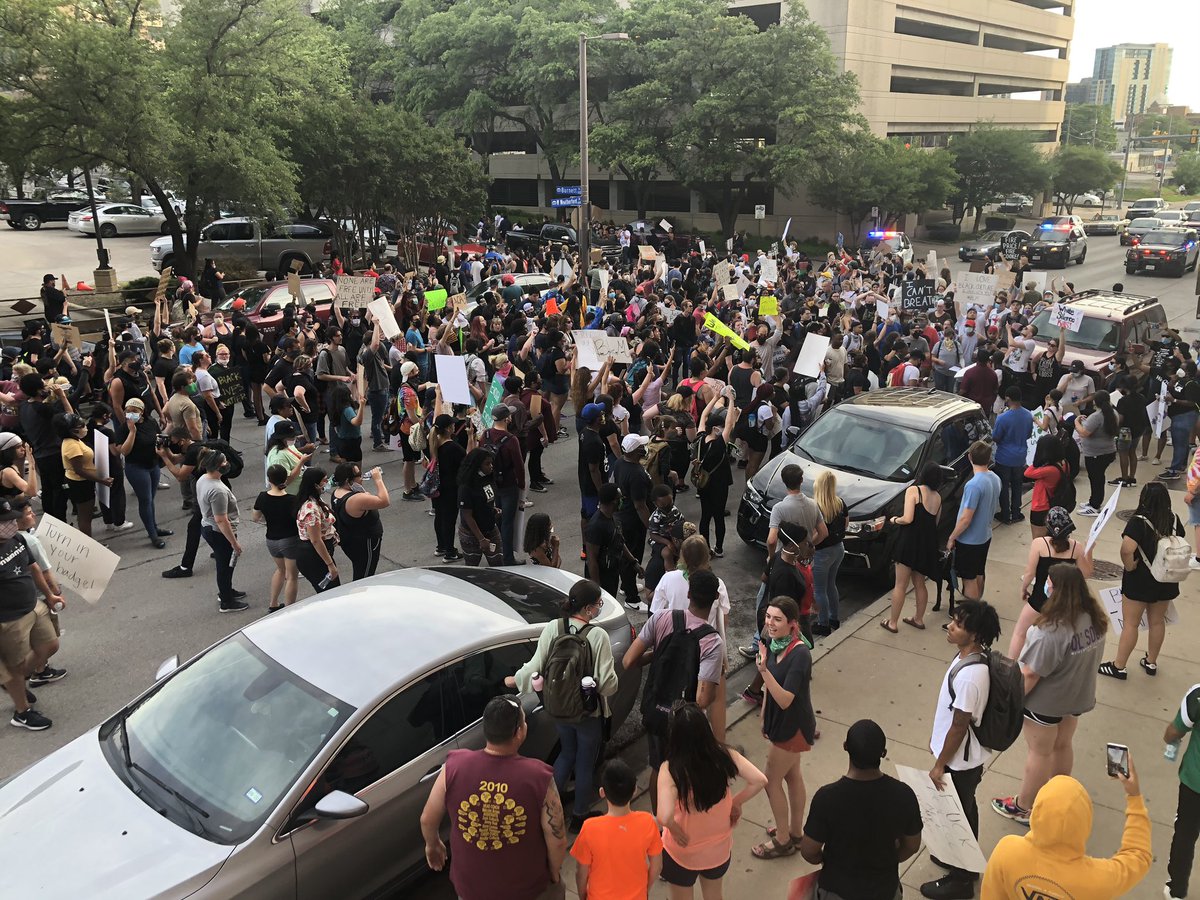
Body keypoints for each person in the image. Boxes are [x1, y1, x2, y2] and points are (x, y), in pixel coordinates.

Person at [419, 696, 568, 900]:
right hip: (526, 889)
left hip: (471, 888)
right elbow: (557, 839)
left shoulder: (455, 765)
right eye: (523, 721)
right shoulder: (538, 776)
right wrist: (554, 872)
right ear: (518, 733)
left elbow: (427, 819)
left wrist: (433, 844)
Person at [992, 564, 1106, 827]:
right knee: (1063, 745)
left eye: (1048, 583)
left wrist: (1012, 701)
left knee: (1039, 753)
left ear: (1055, 589)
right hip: (1076, 697)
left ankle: (1023, 807)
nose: (1045, 586)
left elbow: (1031, 674)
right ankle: (1058, 797)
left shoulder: (1050, 630)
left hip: (1045, 703)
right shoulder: (1092, 617)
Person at [510, 580, 619, 831]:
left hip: (558, 708)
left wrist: (515, 680)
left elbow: (535, 666)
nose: (599, 608)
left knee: (566, 753)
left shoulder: (553, 627)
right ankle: (579, 816)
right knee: (584, 762)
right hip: (588, 712)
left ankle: (550, 811)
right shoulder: (597, 635)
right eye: (598, 605)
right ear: (589, 609)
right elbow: (609, 685)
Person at [623, 572, 726, 814]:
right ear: (714, 601)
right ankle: (679, 816)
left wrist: (656, 655)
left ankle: (661, 823)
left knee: (659, 768)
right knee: (684, 771)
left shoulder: (662, 618)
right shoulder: (712, 642)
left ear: (689, 594)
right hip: (684, 722)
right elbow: (702, 699)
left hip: (655, 710)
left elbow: (629, 661)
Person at [921, 600, 1002, 900]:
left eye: (958, 624)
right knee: (966, 810)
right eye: (952, 620)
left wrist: (940, 764)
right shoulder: (969, 657)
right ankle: (964, 864)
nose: (950, 626)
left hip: (959, 761)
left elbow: (959, 725)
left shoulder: (971, 675)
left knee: (957, 816)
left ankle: (961, 880)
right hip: (961, 758)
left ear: (976, 634)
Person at [799, 719, 923, 900]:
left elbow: (809, 851)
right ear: (884, 753)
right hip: (885, 890)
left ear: (845, 747)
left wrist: (826, 860)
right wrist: (888, 862)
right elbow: (912, 845)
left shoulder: (827, 798)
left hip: (836, 890)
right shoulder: (904, 795)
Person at [981, 768, 1150, 900]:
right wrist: (1134, 797)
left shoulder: (1007, 851)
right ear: (1086, 822)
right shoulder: (1099, 880)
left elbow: (991, 895)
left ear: (1035, 813)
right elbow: (1139, 856)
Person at [656, 703, 768, 899]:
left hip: (681, 852)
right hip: (718, 848)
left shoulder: (670, 770)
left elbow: (664, 817)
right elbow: (760, 780)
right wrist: (736, 802)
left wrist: (674, 829)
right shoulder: (723, 755)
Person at [1098, 481, 1187, 680]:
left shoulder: (1138, 522)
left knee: (1131, 624)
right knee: (1157, 622)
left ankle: (1119, 666)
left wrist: (1129, 566)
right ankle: (1151, 662)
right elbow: (1180, 537)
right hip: (1167, 578)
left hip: (1140, 580)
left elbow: (1126, 549)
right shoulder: (1173, 519)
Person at [751, 596, 816, 861]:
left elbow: (786, 699)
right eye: (768, 617)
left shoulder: (800, 653)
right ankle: (795, 832)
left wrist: (763, 671)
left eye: (777, 619)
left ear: (792, 624)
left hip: (793, 728)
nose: (770, 623)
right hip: (782, 724)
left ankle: (783, 841)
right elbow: (770, 692)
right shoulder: (774, 644)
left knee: (771, 782)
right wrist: (765, 716)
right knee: (792, 777)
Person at [0, 498, 67, 731]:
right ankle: (22, 712)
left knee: (50, 645)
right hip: (8, 620)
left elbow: (33, 567)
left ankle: (13, 679)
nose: (10, 524)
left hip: (33, 606)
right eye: (4, 521)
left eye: (11, 519)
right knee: (14, 668)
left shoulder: (17, 539)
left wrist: (49, 596)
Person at [571, 759, 663, 900]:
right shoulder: (648, 822)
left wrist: (583, 895)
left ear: (602, 792)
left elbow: (581, 872)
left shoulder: (589, 828)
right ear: (634, 790)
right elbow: (657, 867)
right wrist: (644, 891)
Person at [1010, 508, 1094, 660]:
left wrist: (1023, 589)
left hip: (1040, 600)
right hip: (1064, 603)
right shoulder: (1077, 547)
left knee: (1020, 632)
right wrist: (1090, 552)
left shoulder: (1039, 544)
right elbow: (1086, 574)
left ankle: (1010, 665)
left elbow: (1030, 573)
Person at [883, 463, 943, 632]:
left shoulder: (914, 491)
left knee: (900, 584)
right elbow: (936, 522)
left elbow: (908, 518)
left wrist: (894, 520)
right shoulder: (938, 497)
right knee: (919, 583)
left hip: (908, 543)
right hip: (926, 544)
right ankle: (918, 619)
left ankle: (892, 622)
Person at [195, 448, 248, 613]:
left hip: (209, 527)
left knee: (225, 564)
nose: (227, 464)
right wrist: (234, 543)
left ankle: (227, 591)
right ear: (217, 466)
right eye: (224, 462)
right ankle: (226, 601)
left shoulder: (204, 479)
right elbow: (221, 519)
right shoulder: (217, 490)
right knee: (225, 566)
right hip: (219, 532)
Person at [112, 398, 170, 548]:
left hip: (152, 465)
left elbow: (157, 437)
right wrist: (132, 431)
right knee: (145, 500)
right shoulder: (124, 428)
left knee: (151, 499)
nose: (130, 414)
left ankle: (154, 527)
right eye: (128, 411)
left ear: (142, 412)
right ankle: (152, 535)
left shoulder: (150, 422)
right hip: (137, 467)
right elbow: (124, 451)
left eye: (134, 411)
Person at [947, 441, 1001, 602]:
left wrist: (952, 537)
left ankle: (970, 616)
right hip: (985, 535)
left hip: (969, 540)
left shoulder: (973, 485)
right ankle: (977, 607)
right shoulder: (995, 478)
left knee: (968, 578)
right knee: (978, 572)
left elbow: (966, 518)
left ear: (970, 457)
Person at [1164, 684, 1200, 899]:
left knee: (1185, 834)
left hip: (1195, 783)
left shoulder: (1197, 696)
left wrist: (1169, 739)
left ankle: (1176, 889)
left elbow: (1175, 731)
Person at [251, 464, 299, 612]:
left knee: (280, 570)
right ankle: (290, 608)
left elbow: (255, 517)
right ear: (285, 479)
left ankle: (273, 603)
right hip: (289, 539)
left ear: (269, 479)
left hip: (271, 540)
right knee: (292, 576)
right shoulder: (292, 500)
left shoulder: (262, 497)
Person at [57, 412, 112, 538]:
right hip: (80, 484)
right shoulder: (72, 446)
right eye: (81, 426)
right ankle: (89, 546)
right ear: (73, 430)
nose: (85, 428)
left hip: (82, 482)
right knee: (85, 517)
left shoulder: (75, 440)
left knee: (85, 515)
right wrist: (102, 480)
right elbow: (79, 470)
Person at [695, 391, 737, 557]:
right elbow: (730, 423)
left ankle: (705, 548)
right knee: (718, 517)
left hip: (703, 482)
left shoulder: (700, 438)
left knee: (705, 516)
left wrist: (715, 397)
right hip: (719, 484)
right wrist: (731, 400)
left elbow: (704, 414)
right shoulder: (720, 444)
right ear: (714, 428)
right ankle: (718, 548)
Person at [613, 433, 653, 607]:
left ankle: (625, 585)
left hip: (623, 516)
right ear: (636, 452)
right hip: (633, 521)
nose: (644, 449)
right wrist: (651, 527)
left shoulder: (620, 462)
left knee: (626, 556)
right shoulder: (636, 474)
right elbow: (640, 506)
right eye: (641, 447)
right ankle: (632, 599)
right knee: (632, 558)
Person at [330, 462, 388, 580]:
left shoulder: (337, 493)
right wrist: (378, 480)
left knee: (360, 570)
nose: (361, 478)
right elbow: (384, 501)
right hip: (365, 544)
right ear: (348, 480)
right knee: (364, 577)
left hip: (351, 541)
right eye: (358, 475)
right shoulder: (356, 499)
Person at [585, 483, 643, 599]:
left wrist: (633, 562)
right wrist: (598, 590)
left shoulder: (612, 516)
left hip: (612, 571)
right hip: (602, 577)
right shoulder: (596, 526)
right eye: (620, 498)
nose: (622, 501)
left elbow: (619, 540)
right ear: (613, 502)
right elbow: (591, 560)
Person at [810, 471, 847, 636]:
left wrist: (811, 545)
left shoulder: (816, 507)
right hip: (838, 549)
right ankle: (834, 618)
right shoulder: (840, 503)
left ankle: (823, 623)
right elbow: (846, 524)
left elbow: (817, 533)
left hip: (822, 552)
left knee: (819, 589)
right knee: (831, 584)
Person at [295, 467, 340, 593]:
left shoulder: (315, 499)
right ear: (315, 484)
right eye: (324, 480)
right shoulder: (311, 509)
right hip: (313, 556)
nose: (327, 483)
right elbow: (316, 540)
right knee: (331, 593)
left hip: (318, 553)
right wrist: (330, 565)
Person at [431, 411, 468, 561]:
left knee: (439, 516)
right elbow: (467, 462)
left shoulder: (433, 443)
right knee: (449, 520)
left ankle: (441, 546)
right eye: (452, 424)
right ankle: (449, 552)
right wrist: (471, 438)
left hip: (437, 486)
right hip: (451, 488)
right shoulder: (453, 447)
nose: (454, 425)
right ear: (448, 429)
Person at [992, 386, 1033, 524]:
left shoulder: (1002, 418)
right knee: (1017, 485)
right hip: (1020, 457)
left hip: (1004, 457)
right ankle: (1016, 512)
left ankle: (1005, 514)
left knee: (1003, 487)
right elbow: (1028, 434)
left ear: (1008, 398)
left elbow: (996, 437)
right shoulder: (1028, 415)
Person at [458, 447, 503, 567]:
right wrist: (481, 539)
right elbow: (467, 515)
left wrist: (492, 510)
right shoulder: (466, 487)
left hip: (490, 527)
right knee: (472, 568)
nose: (491, 466)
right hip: (472, 533)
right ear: (478, 465)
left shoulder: (488, 478)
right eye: (487, 464)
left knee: (498, 563)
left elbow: (486, 500)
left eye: (491, 463)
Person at [1075, 389, 1118, 516]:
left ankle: (1095, 505)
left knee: (1096, 478)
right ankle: (1094, 501)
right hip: (1108, 451)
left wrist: (1076, 422)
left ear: (1095, 402)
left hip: (1095, 454)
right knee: (1098, 477)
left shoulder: (1096, 416)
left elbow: (1083, 433)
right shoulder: (1113, 413)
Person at [1024, 433, 1068, 539]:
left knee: (1039, 540)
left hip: (1041, 507)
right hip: (1055, 505)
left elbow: (1027, 473)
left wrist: (1038, 460)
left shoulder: (1048, 470)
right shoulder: (1064, 464)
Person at [265, 421, 310, 495]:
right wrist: (301, 462)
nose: (294, 438)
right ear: (282, 438)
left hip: (301, 491)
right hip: (292, 495)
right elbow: (285, 482)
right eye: (292, 437)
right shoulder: (278, 457)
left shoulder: (287, 445)